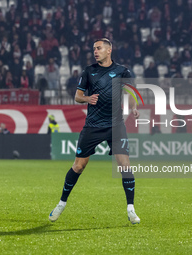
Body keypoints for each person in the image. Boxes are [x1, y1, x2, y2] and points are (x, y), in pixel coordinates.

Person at [48, 38, 141, 224]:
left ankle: (131, 209)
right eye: (94, 49)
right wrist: (87, 99)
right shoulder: (89, 71)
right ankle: (61, 203)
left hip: (116, 125)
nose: (95, 51)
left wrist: (133, 108)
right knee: (78, 166)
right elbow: (77, 96)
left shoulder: (123, 71)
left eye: (98, 48)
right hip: (93, 125)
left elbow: (131, 93)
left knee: (125, 165)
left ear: (109, 50)